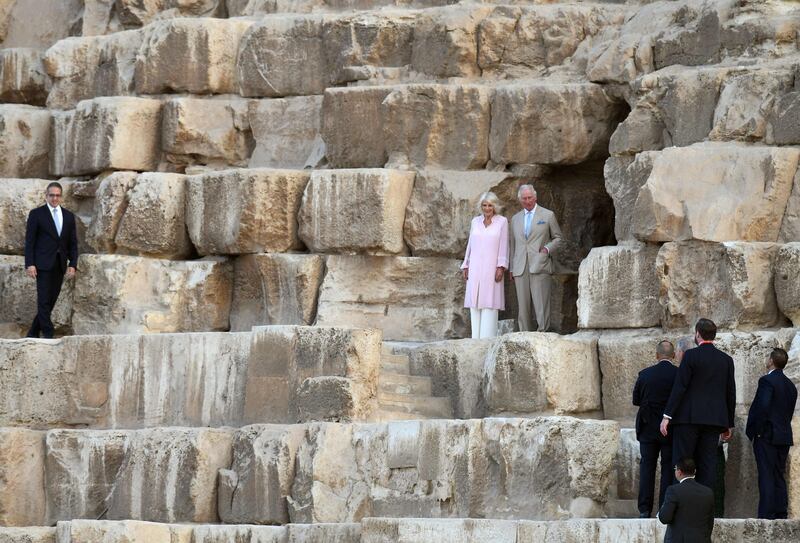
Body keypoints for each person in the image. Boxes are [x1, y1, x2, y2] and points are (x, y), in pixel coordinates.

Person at [660, 318, 736, 491]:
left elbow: (680, 387)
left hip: (688, 419)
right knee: (708, 465)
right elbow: (730, 393)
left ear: (697, 334)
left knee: (682, 462)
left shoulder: (691, 356)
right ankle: (704, 508)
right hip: (714, 422)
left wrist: (667, 416)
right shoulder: (726, 360)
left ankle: (679, 505)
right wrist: (729, 424)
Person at [745, 347, 798, 519]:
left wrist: (757, 431)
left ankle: (767, 514)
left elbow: (762, 407)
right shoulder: (791, 386)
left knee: (766, 474)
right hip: (783, 436)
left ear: (771, 361)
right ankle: (781, 512)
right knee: (778, 475)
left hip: (767, 436)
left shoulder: (767, 381)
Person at [24, 182, 78, 339]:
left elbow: (73, 243)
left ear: (61, 197)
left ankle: (33, 332)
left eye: (57, 195)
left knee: (51, 301)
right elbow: (30, 242)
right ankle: (48, 333)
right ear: (46, 196)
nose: (55, 198)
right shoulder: (36, 214)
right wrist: (30, 263)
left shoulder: (68, 216)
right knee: (43, 300)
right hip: (42, 264)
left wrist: (73, 264)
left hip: (60, 264)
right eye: (52, 195)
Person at [633, 340, 678, 518]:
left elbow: (636, 400)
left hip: (647, 429)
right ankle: (663, 509)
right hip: (670, 429)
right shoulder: (678, 374)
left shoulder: (644, 375)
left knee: (647, 468)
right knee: (667, 468)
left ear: (657, 355)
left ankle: (644, 509)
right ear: (673, 355)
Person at [508, 184, 562, 332]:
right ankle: (524, 333)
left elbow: (558, 238)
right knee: (523, 305)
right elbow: (513, 245)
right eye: (524, 198)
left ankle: (542, 332)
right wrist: (512, 268)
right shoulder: (515, 219)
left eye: (530, 197)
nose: (527, 201)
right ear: (520, 200)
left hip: (540, 263)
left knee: (541, 302)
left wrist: (546, 249)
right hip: (520, 266)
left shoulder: (547, 215)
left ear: (535, 197)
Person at [461, 192, 508, 339]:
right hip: (475, 267)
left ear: (495, 206)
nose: (487, 208)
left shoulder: (502, 221)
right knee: (474, 302)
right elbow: (470, 244)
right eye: (484, 205)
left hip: (492, 268)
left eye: (490, 205)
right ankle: (475, 340)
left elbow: (504, 245)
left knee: (490, 301)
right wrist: (466, 264)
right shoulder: (475, 221)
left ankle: (487, 340)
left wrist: (501, 266)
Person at [658, 457, 715, 543]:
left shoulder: (673, 490)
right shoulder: (708, 492)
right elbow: (710, 522)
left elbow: (664, 518)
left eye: (675, 469)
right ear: (694, 471)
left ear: (679, 472)